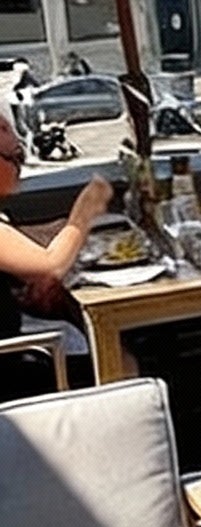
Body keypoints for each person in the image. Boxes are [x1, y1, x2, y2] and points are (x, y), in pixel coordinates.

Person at [0, 108, 113, 386]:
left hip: (14, 334)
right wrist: (85, 212)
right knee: (119, 358)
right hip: (10, 360)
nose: (18, 146)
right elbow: (52, 265)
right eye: (3, 131)